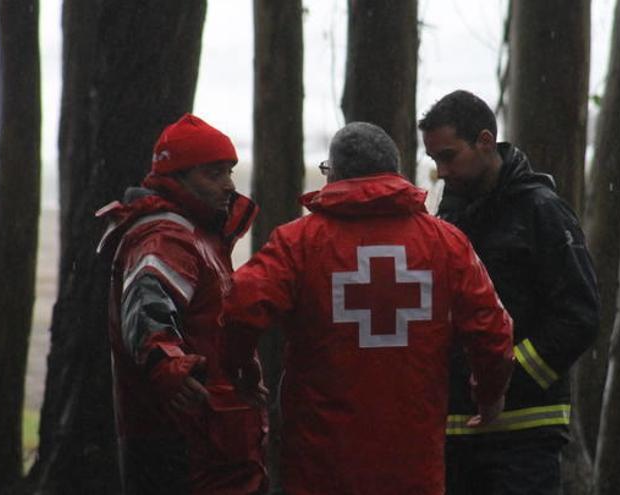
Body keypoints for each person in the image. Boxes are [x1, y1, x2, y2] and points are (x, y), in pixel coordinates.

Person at [220, 122, 515, 495]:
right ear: (395, 172)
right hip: (414, 466)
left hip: (321, 465)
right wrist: (490, 397)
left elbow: (238, 310)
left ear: (337, 174)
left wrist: (242, 372)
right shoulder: (446, 243)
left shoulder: (300, 243)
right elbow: (492, 330)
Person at [419, 90, 600, 495]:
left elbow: (579, 316)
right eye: (434, 161)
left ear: (485, 141)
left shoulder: (542, 212)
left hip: (524, 434)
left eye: (448, 156)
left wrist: (503, 378)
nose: (441, 172)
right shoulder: (448, 217)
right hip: (456, 432)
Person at [96, 114, 267, 494]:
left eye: (229, 171)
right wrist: (169, 367)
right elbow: (146, 313)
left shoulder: (199, 232)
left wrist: (241, 373)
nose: (229, 186)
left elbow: (210, 325)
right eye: (214, 174)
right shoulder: (166, 237)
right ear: (178, 178)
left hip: (212, 438)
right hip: (185, 443)